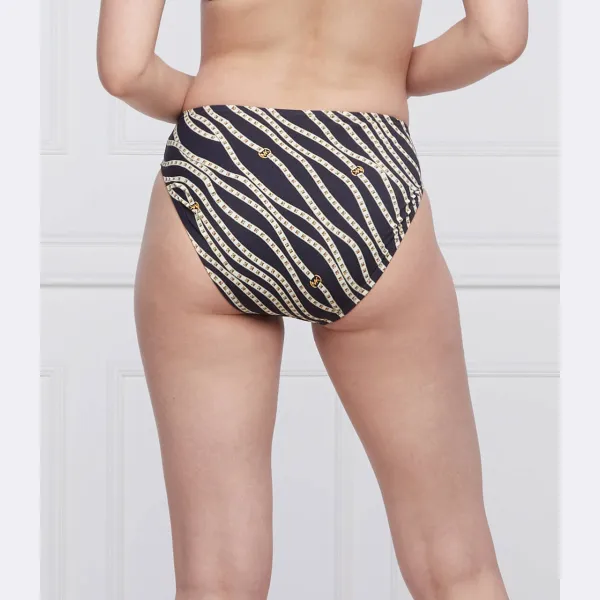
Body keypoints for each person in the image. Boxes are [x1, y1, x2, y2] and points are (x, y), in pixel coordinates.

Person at [97, 1, 528, 598]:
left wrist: (210, 105)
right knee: (457, 566)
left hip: (221, 163)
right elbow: (498, 38)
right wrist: (392, 72)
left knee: (217, 580)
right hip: (365, 165)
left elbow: (125, 70)